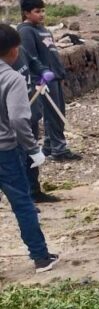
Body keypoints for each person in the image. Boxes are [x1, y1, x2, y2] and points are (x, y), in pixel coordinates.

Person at [0, 24, 59, 272]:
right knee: (22, 203)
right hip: (6, 151)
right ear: (14, 50)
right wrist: (33, 148)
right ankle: (40, 256)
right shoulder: (11, 78)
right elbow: (18, 119)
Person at [15, 0, 81, 165]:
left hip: (55, 75)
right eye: (37, 11)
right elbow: (30, 58)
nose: (42, 14)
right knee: (53, 114)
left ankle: (50, 146)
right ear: (26, 13)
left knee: (58, 111)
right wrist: (39, 79)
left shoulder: (43, 29)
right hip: (43, 79)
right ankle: (60, 149)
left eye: (43, 10)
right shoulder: (26, 31)